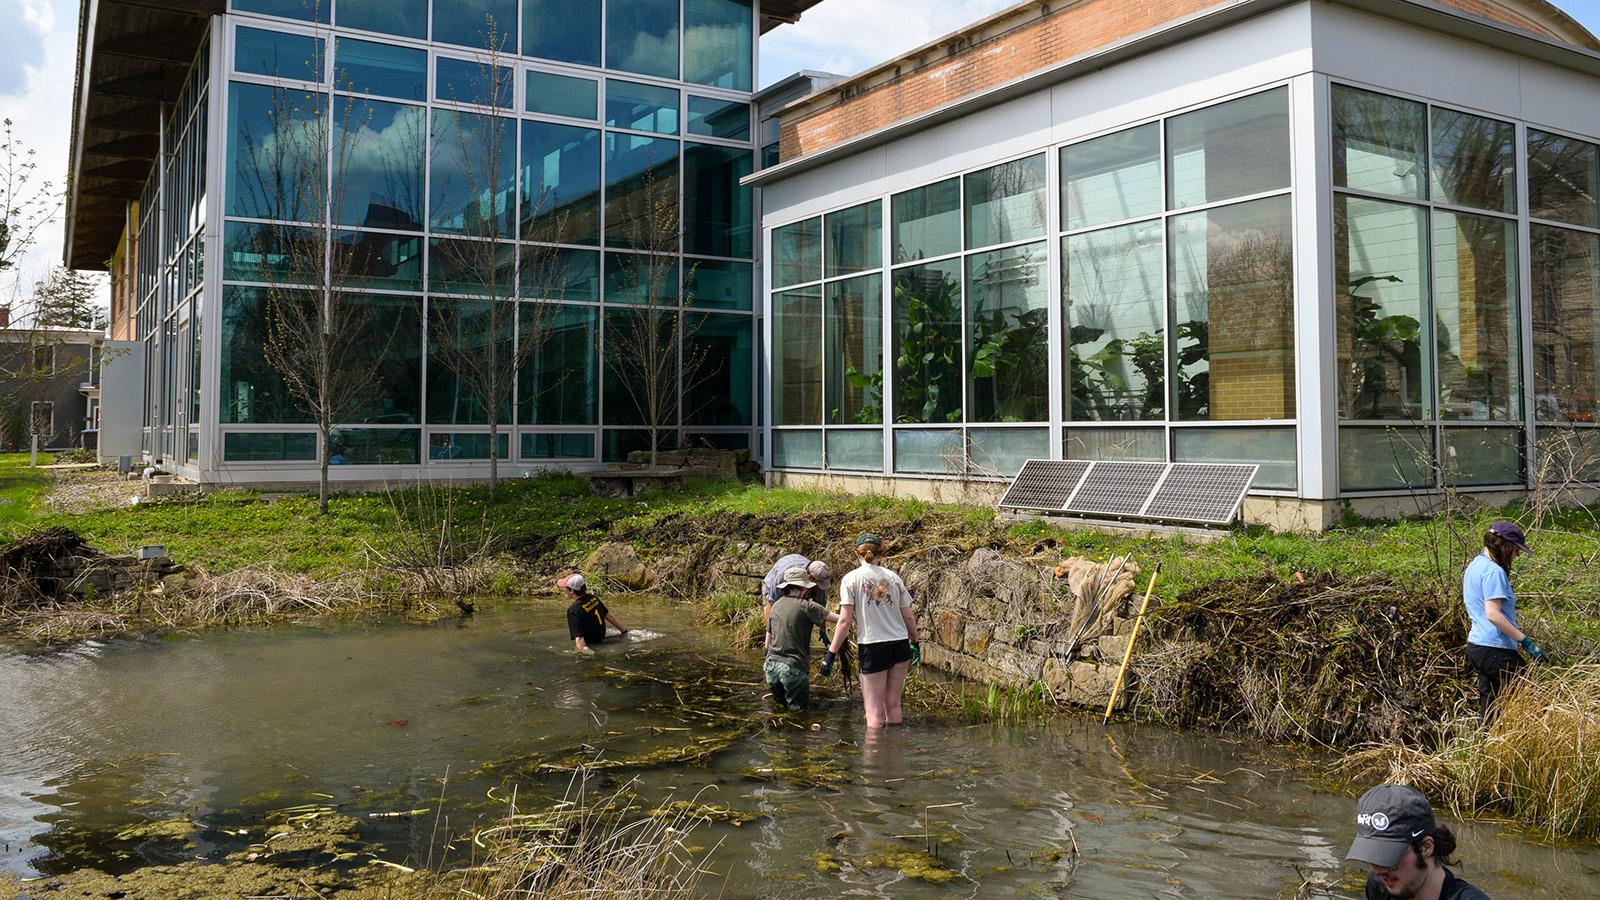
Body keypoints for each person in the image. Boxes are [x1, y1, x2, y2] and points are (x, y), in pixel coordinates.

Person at [822, 533, 919, 729]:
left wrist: (830, 654)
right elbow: (908, 616)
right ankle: (894, 754)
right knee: (893, 704)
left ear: (855, 552)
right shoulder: (894, 577)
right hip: (900, 645)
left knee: (873, 712)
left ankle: (874, 758)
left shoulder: (851, 579)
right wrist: (915, 642)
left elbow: (844, 621)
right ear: (880, 552)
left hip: (873, 645)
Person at [1463, 521, 1546, 720]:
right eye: (1516, 550)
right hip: (1495, 648)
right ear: (1505, 545)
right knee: (1532, 696)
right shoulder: (1494, 572)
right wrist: (1525, 641)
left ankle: (1486, 744)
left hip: (1477, 647)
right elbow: (1493, 614)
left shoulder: (1475, 565)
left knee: (1491, 706)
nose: (1516, 556)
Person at [1347, 784, 1489, 899]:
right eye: (1372, 856)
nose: (1381, 870)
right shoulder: (1379, 886)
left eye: (1389, 857)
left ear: (1426, 847)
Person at [765, 566, 842, 711]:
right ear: (804, 588)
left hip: (771, 667)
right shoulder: (808, 606)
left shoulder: (775, 605)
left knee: (780, 710)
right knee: (798, 714)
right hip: (793, 669)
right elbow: (842, 620)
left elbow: (768, 638)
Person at [760, 554, 832, 645]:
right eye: (818, 584)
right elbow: (771, 605)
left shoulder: (817, 580)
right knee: (779, 615)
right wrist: (770, 638)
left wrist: (822, 629)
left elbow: (821, 608)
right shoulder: (782, 576)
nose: (818, 587)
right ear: (810, 578)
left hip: (803, 581)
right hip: (774, 584)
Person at [560, 573, 627, 653]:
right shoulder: (593, 598)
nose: (563, 589)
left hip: (591, 646)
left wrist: (582, 658)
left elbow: (580, 639)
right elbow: (610, 616)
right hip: (602, 639)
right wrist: (625, 632)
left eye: (565, 587)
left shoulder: (573, 610)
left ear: (571, 590)